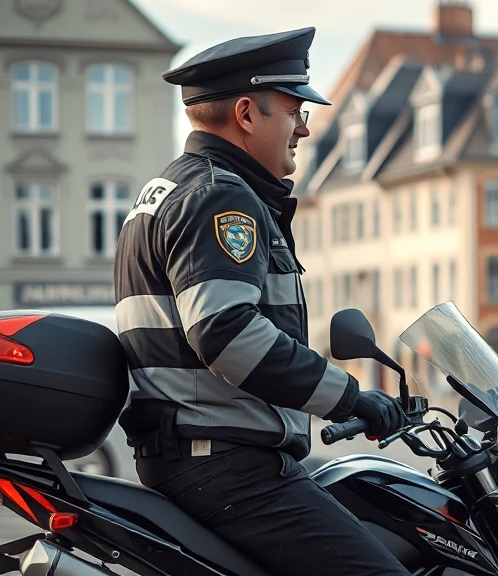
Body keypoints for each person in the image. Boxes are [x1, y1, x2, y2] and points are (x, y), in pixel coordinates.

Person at [113, 27, 411, 576]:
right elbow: (227, 333)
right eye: (294, 110)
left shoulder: (172, 188)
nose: (304, 127)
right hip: (228, 466)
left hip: (197, 458)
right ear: (247, 114)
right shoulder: (220, 196)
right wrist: (351, 398)